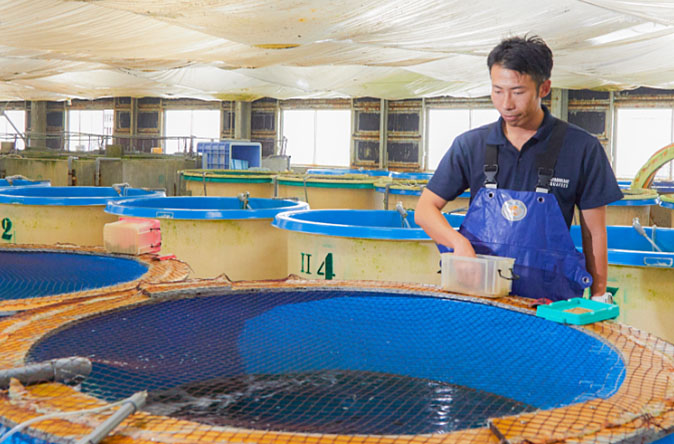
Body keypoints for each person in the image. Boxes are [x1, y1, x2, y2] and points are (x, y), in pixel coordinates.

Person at [415, 35, 623, 302]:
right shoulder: (470, 145)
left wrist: (598, 295)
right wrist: (458, 243)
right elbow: (424, 209)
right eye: (497, 90)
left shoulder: (581, 148)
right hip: (480, 295)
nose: (506, 104)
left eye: (518, 92)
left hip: (550, 303)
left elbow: (593, 232)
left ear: (544, 88)